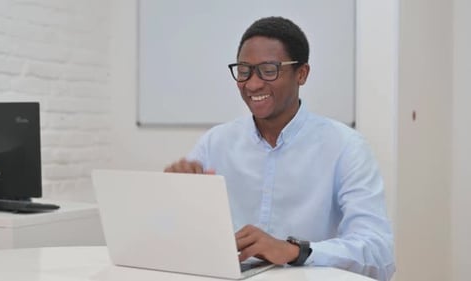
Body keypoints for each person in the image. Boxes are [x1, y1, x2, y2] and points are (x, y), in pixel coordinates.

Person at [164, 16, 395, 281]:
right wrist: (176, 199)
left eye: (269, 70)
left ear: (302, 74)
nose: (252, 84)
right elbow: (177, 236)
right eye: (243, 70)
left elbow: (380, 255)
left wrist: (294, 251)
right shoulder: (216, 142)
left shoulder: (346, 147)